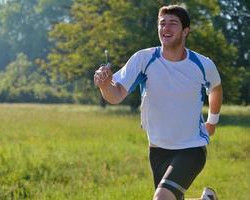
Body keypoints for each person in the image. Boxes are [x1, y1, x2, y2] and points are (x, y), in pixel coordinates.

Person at [94, 4, 222, 200]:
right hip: (157, 149)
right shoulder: (144, 59)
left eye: (173, 24)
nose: (166, 28)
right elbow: (116, 94)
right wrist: (104, 85)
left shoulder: (202, 64)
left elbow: (215, 88)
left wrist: (212, 121)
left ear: (185, 31)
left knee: (161, 198)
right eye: (162, 24)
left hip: (192, 148)